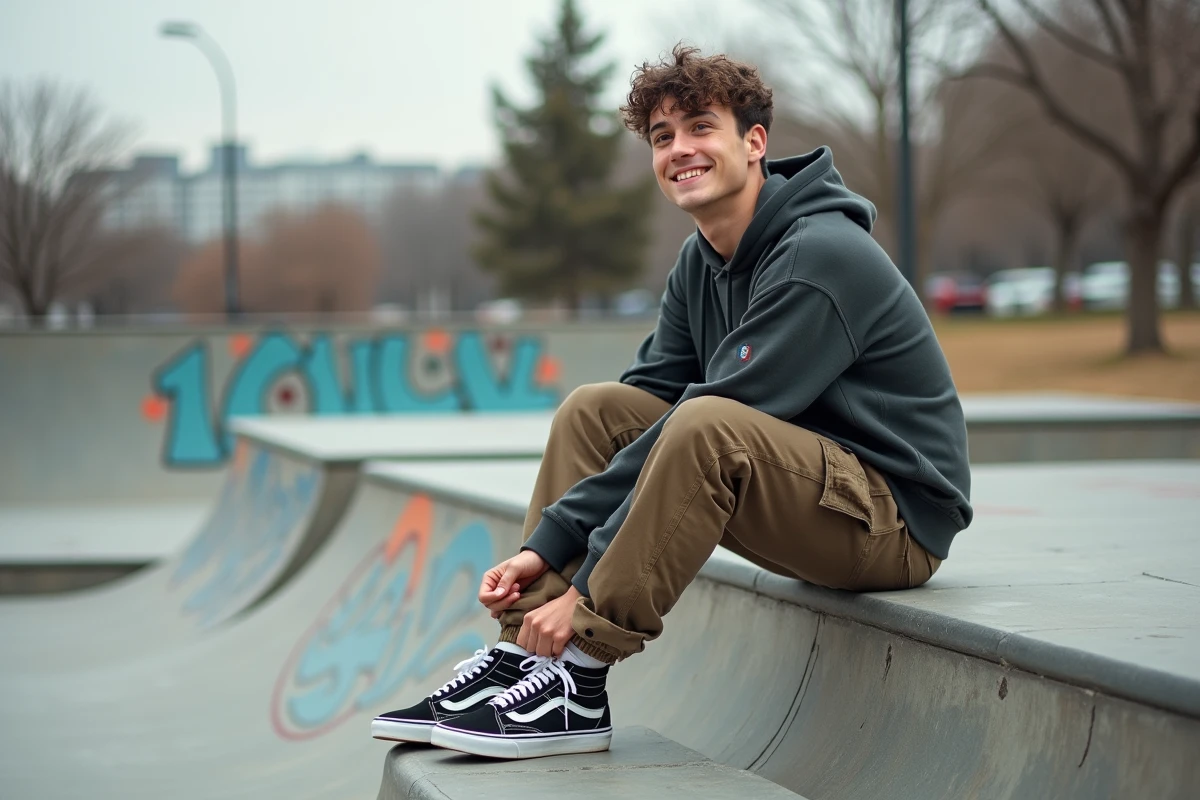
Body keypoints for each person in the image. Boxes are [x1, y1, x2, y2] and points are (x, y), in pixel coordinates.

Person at [371, 44, 972, 760]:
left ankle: (582, 673)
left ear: (754, 143)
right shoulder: (701, 259)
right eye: (662, 138)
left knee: (708, 423)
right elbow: (645, 409)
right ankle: (529, 659)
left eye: (699, 128)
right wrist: (547, 550)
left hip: (891, 519)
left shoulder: (821, 257)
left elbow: (713, 417)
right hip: (805, 487)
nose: (679, 150)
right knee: (596, 410)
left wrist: (584, 587)